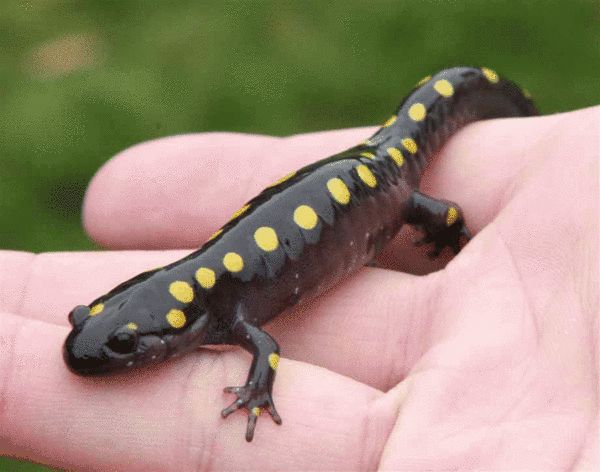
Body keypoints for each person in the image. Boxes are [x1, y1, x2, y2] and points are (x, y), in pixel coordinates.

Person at [0, 106, 597, 470]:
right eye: (98, 326)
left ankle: (455, 201)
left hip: (380, 187)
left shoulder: (222, 312)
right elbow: (263, 344)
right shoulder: (210, 302)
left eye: (125, 341)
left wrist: (257, 393)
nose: (104, 345)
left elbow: (268, 350)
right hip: (352, 185)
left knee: (421, 208)